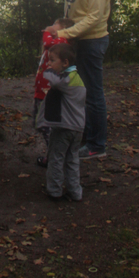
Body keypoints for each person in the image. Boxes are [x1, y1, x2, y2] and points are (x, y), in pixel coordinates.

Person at [48, 0, 112, 159]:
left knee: (93, 94)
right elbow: (74, 10)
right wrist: (61, 27)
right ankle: (87, 134)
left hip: (91, 41)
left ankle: (97, 145)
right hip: (78, 40)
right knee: (80, 90)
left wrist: (65, 34)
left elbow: (94, 18)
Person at [37, 42, 86, 201]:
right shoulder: (77, 78)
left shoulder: (66, 79)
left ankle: (54, 191)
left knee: (56, 158)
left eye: (52, 60)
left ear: (65, 62)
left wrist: (48, 71)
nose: (49, 64)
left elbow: (55, 81)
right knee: (72, 160)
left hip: (64, 127)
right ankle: (75, 192)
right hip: (78, 127)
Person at [33, 17, 75, 168]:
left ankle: (56, 158)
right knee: (40, 122)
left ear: (63, 29)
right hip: (42, 90)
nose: (51, 26)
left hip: (48, 93)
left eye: (55, 24)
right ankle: (54, 155)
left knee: (46, 125)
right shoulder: (57, 43)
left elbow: (47, 43)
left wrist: (47, 31)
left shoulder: (61, 43)